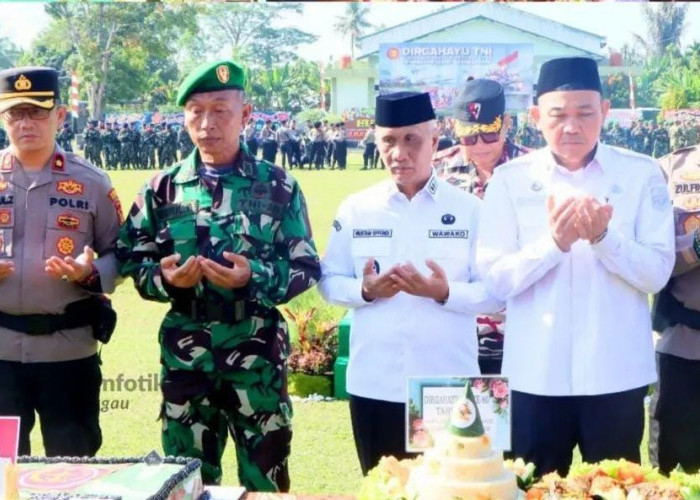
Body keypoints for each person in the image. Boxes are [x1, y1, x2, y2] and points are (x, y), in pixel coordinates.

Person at [116, 59, 321, 491]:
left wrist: (253, 277)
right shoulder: (161, 189)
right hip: (186, 356)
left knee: (265, 481)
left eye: (220, 110)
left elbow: (305, 268)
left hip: (257, 355)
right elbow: (132, 259)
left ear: (245, 114)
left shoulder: (279, 186)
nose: (207, 123)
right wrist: (165, 280)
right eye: (196, 111)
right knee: (186, 481)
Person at [476, 57, 675, 477]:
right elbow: (495, 280)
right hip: (536, 376)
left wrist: (605, 239)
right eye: (558, 115)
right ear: (536, 117)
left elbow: (657, 271)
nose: (571, 126)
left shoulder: (640, 174)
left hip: (615, 375)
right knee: (532, 487)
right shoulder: (510, 180)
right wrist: (553, 245)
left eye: (585, 113)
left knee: (615, 487)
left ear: (604, 111)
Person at [319, 91, 502, 476]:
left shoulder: (470, 210)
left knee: (456, 490)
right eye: (388, 140)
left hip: (448, 385)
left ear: (434, 141)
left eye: (411, 140)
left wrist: (444, 292)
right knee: (382, 491)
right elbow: (329, 281)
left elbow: (496, 293)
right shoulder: (356, 208)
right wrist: (365, 291)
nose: (399, 153)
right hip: (375, 384)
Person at [0, 66, 122, 457]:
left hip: (68, 354)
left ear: (60, 115)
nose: (25, 123)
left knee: (73, 470)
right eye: (15, 113)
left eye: (37, 112)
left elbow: (121, 252)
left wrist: (91, 273)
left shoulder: (92, 182)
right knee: (2, 468)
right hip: (1, 356)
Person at [432, 78, 528, 375]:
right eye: (469, 138)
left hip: (520, 329)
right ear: (454, 128)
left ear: (506, 123)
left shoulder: (533, 170)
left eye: (489, 134)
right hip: (450, 328)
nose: (480, 146)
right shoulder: (435, 171)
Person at [649, 143, 700, 475]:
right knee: (673, 476)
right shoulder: (670, 169)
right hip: (685, 346)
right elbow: (652, 262)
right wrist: (697, 245)